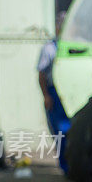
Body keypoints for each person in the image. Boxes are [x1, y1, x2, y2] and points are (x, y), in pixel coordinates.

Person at [37, 11, 70, 173]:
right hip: (55, 94)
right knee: (61, 133)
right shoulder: (49, 48)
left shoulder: (73, 47)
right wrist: (46, 95)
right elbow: (41, 74)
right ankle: (66, 168)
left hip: (72, 92)